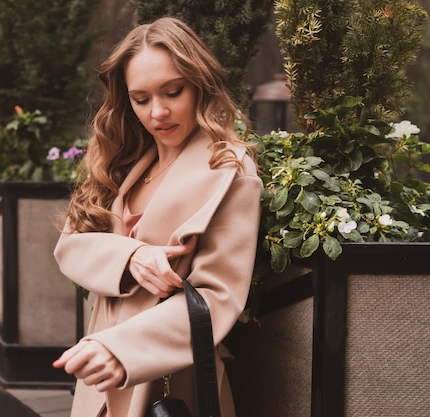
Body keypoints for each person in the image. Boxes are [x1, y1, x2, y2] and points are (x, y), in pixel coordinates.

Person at [52, 17, 263, 417]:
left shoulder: (228, 169)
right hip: (98, 372)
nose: (158, 112)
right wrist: (131, 258)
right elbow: (70, 246)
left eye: (173, 91)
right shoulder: (122, 163)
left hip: (165, 377)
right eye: (141, 98)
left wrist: (123, 349)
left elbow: (218, 296)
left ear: (200, 84)